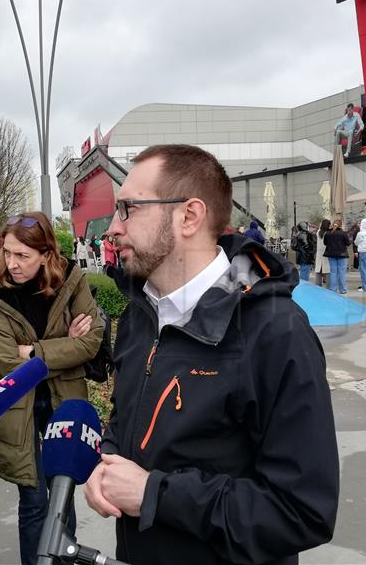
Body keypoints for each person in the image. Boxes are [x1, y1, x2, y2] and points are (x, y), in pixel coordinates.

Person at [83, 144, 339, 565]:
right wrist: (106, 463)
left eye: (128, 208)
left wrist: (155, 494)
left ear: (189, 216)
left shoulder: (275, 331)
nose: (112, 228)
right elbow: (126, 419)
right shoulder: (138, 315)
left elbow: (302, 511)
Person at [0, 212, 103, 565]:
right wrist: (65, 347)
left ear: (46, 255)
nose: (11, 264)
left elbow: (91, 342)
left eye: (23, 256)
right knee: (34, 500)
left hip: (63, 400)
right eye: (8, 252)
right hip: (19, 407)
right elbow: (4, 361)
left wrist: (33, 352)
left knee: (62, 496)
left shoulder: (72, 280)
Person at [323, 219, 352, 294]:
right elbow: (348, 243)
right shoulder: (343, 233)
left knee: (333, 272)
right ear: (340, 225)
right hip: (342, 255)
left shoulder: (328, 233)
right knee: (341, 272)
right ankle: (343, 289)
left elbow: (325, 243)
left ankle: (333, 289)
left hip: (331, 255)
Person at [314, 219, 331, 287]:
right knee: (327, 270)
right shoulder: (328, 233)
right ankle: (329, 286)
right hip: (326, 252)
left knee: (318, 269)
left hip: (319, 253)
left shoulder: (318, 232)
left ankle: (317, 285)